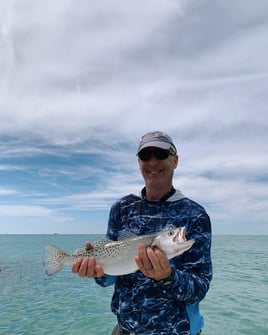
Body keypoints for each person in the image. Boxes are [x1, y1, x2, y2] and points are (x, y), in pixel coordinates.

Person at [72, 131, 212, 335]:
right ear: (139, 162)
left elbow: (199, 288)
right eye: (146, 156)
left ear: (175, 160)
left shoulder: (195, 215)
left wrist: (168, 277)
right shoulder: (121, 208)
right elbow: (110, 277)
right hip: (126, 329)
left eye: (161, 154)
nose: (153, 162)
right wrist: (96, 272)